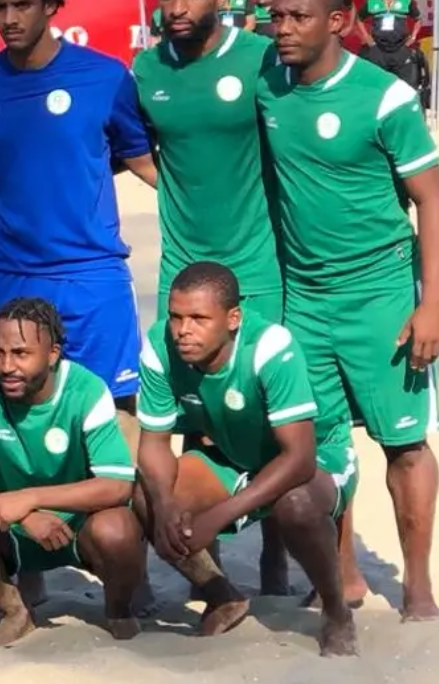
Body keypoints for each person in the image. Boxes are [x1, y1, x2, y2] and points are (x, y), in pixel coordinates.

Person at [259, 0, 439, 621]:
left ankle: (418, 588)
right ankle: (341, 576)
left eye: (295, 17)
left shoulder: (384, 98)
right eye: (275, 16)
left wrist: (431, 303)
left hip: (381, 296)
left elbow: (431, 201)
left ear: (336, 22)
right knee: (320, 449)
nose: (280, 28)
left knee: (403, 444)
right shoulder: (268, 85)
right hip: (303, 300)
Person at [0, 0, 156, 430]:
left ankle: (117, 511)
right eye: (0, 7)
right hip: (10, 271)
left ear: (51, 4)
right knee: (6, 411)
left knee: (114, 410)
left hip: (91, 272)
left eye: (22, 5)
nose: (9, 19)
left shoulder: (106, 78)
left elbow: (141, 159)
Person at [131, 0, 289, 593]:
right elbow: (128, 145)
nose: (176, 7)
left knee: (272, 418)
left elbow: (295, 143)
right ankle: (212, 565)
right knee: (194, 416)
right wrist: (170, 187)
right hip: (180, 272)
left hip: (255, 270)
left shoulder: (259, 59)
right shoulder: (144, 70)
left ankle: (280, 555)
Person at [136, 262, 358, 656]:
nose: (183, 330)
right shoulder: (158, 346)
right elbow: (154, 443)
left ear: (233, 318)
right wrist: (167, 504)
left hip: (317, 454)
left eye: (199, 319)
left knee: (297, 505)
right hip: (233, 454)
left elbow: (300, 458)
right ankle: (222, 595)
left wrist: (218, 516)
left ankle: (337, 612)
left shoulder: (270, 346)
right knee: (146, 497)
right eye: (176, 317)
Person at [0, 297, 145, 648]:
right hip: (12, 526)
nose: (6, 366)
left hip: (78, 524)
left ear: (52, 354)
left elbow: (117, 485)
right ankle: (14, 610)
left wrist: (30, 499)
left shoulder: (88, 390)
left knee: (119, 529)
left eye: (20, 353)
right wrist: (24, 515)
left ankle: (118, 610)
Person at [356, 0, 422, 89]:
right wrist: (366, 36)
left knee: (405, 86)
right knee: (377, 85)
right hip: (378, 49)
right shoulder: (371, 1)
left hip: (400, 48)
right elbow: (358, 18)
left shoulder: (406, 0)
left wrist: (413, 36)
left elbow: (418, 19)